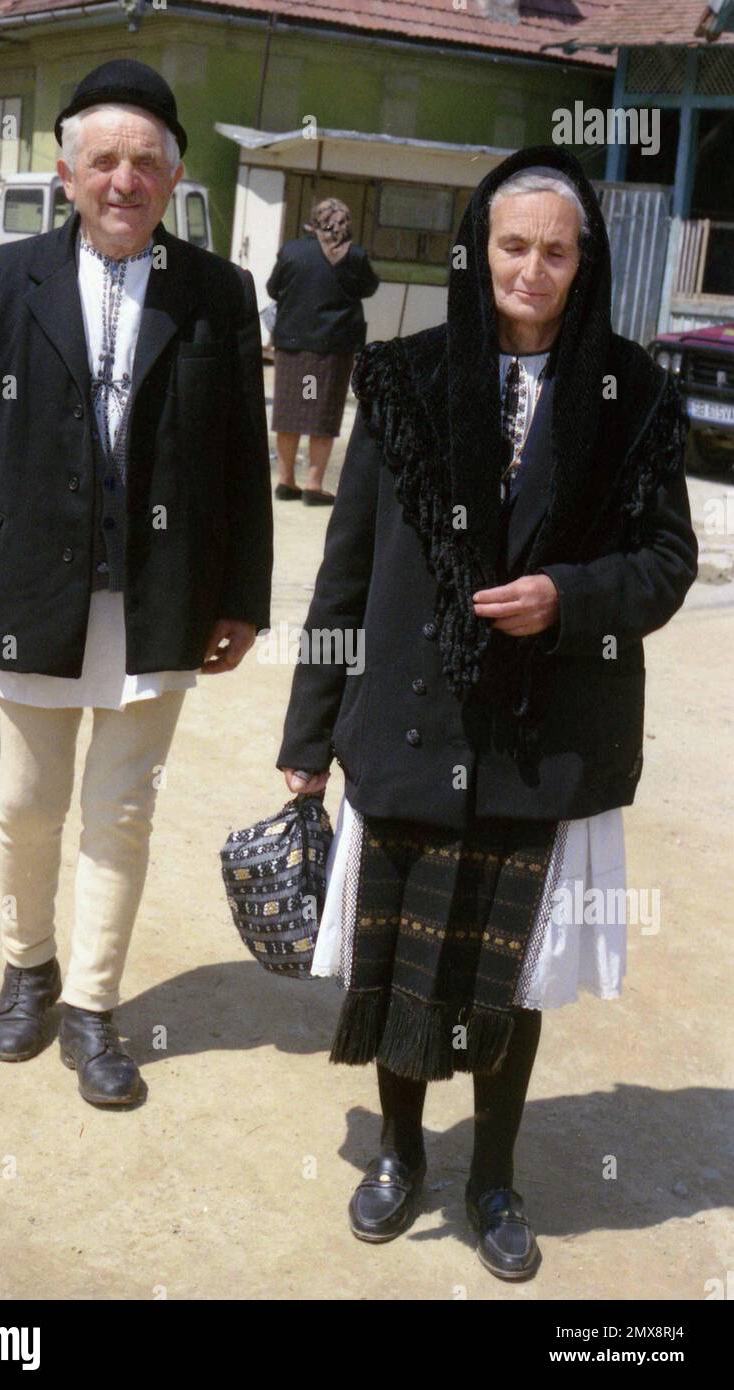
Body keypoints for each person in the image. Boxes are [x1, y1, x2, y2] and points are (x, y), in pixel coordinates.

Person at [276, 146, 698, 1281]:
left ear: (583, 261)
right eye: (511, 245)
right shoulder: (403, 377)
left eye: (554, 250)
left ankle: (492, 1175)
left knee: (507, 971)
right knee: (400, 960)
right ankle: (400, 1154)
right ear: (478, 251)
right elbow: (345, 568)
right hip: (409, 724)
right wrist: (304, 740)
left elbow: (665, 562)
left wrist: (571, 598)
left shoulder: (633, 392)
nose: (530, 268)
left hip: (541, 728)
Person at [0, 59, 273, 1109]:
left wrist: (242, 597)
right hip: (28, 581)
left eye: (146, 163)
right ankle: (27, 968)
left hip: (158, 594)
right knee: (27, 804)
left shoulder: (217, 293)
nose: (124, 181)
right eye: (103, 161)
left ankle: (92, 1008)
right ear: (67, 175)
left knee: (119, 815)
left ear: (172, 179)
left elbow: (243, 461)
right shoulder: (1, 279)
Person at [266, 198, 378, 505]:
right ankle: (314, 485)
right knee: (320, 414)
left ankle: (286, 481)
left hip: (292, 348)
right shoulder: (354, 256)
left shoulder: (292, 252)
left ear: (313, 222)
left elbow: (273, 288)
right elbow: (369, 288)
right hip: (331, 351)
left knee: (290, 414)